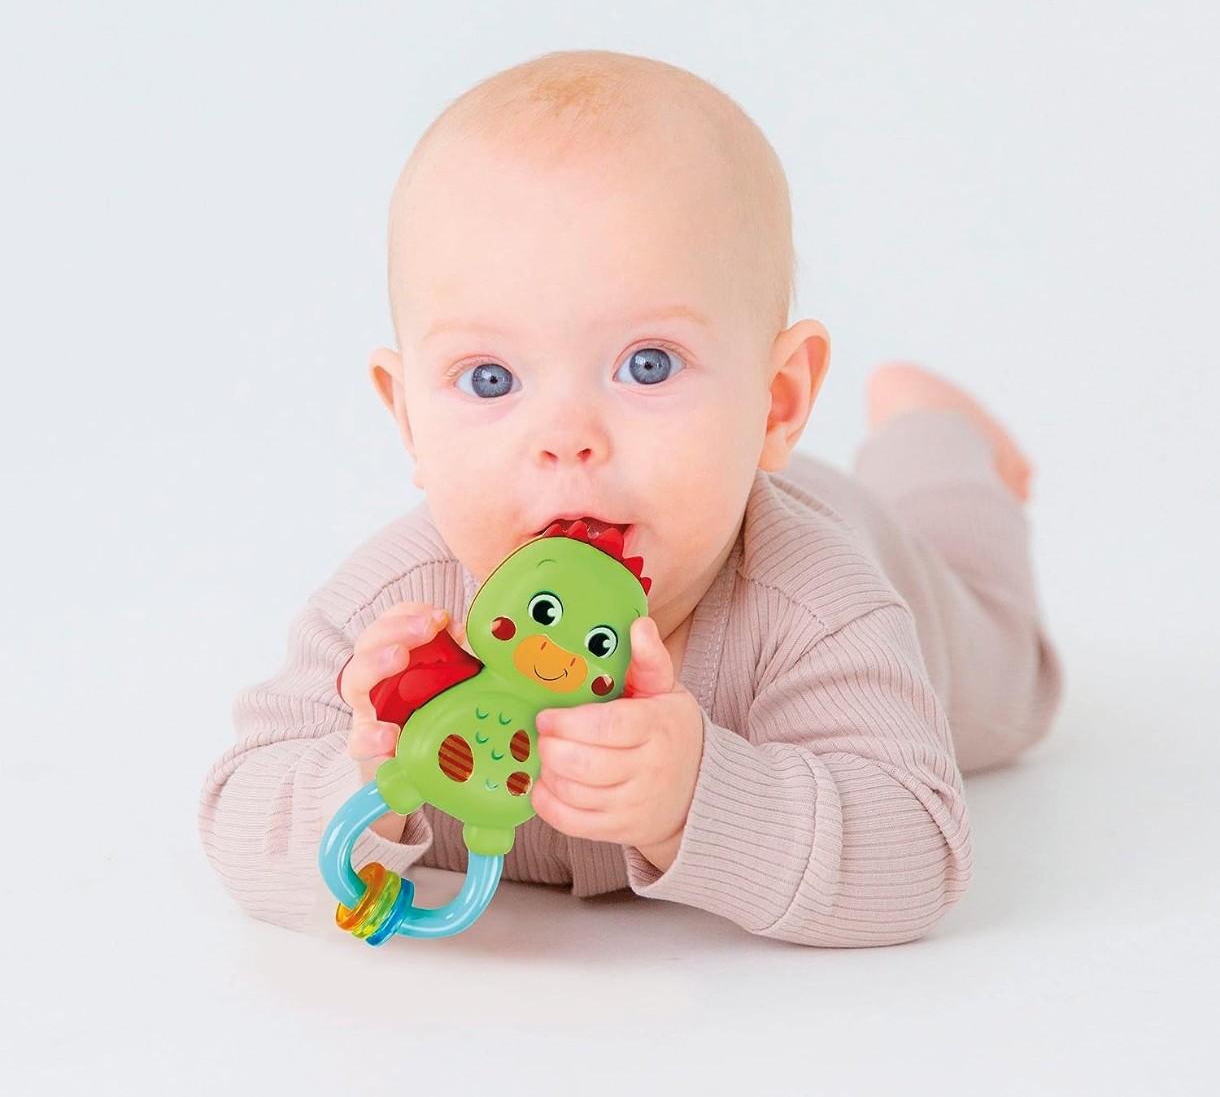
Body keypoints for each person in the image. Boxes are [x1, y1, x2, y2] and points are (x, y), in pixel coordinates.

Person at [198, 49, 1063, 947]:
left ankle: (931, 433)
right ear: (410, 419)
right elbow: (236, 817)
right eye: (491, 377)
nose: (567, 436)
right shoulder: (395, 618)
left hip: (891, 562)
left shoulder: (816, 606)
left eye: (647, 365)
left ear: (776, 401)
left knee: (1015, 676)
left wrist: (701, 796)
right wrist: (369, 777)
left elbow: (915, 854)